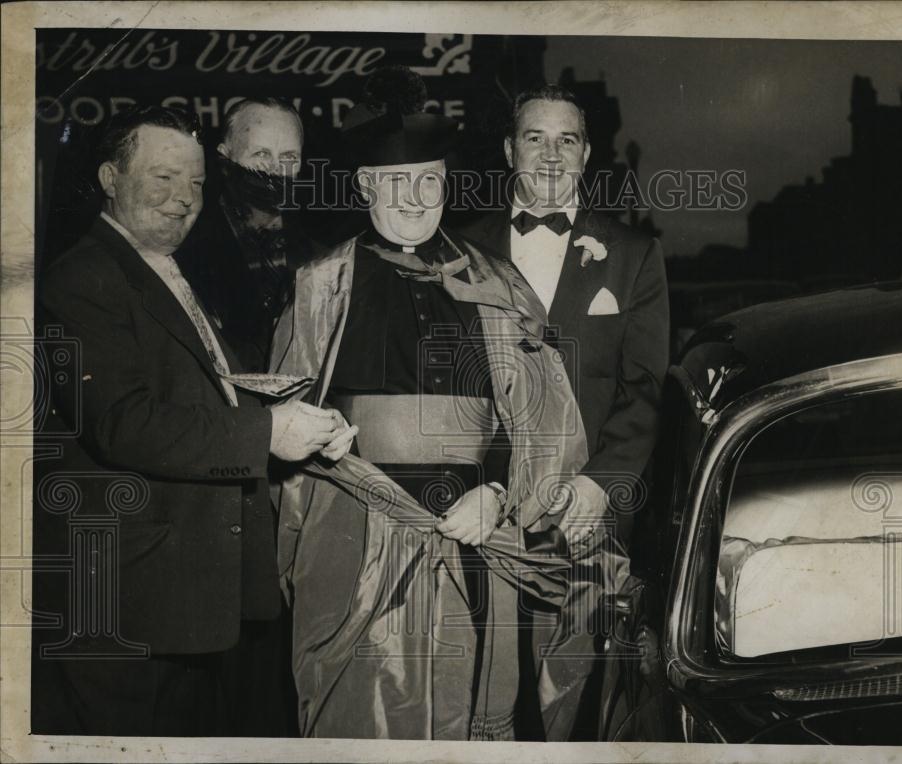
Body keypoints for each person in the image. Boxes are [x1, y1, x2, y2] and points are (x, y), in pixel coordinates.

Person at [269, 67, 593, 740]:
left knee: (472, 710)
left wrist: (498, 494)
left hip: (475, 532)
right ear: (364, 187)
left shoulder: (497, 285)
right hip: (358, 541)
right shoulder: (320, 286)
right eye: (395, 182)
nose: (414, 198)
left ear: (447, 184)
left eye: (428, 180)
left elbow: (540, 417)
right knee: (363, 718)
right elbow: (283, 433)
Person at [32, 105, 354, 736]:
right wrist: (269, 434)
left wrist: (303, 423)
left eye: (197, 183)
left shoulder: (163, 267)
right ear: (108, 178)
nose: (183, 200)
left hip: (181, 597)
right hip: (126, 600)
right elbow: (123, 423)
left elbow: (213, 391)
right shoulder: (80, 278)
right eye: (162, 179)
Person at [460, 84, 671, 740]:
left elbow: (645, 389)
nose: (551, 157)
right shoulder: (459, 250)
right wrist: (482, 485)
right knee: (488, 704)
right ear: (507, 150)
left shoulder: (633, 255)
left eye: (567, 140)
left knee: (584, 713)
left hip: (589, 524)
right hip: (487, 515)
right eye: (534, 138)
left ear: (586, 157)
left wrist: (598, 483)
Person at [176, 97, 315, 372]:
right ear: (224, 158)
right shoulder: (184, 250)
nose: (275, 169)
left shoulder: (318, 254)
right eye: (261, 154)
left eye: (289, 157)